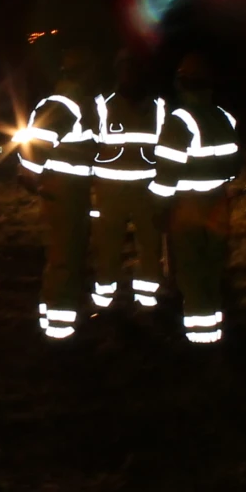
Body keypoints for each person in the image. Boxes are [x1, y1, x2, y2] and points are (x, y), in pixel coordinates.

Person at [151, 52, 242, 344]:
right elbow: (234, 166)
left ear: (181, 84)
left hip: (187, 206)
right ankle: (215, 328)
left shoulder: (180, 121)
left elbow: (166, 174)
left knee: (189, 269)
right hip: (219, 202)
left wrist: (159, 208)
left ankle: (200, 337)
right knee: (212, 266)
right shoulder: (225, 117)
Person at [18, 47, 97, 342]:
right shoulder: (65, 105)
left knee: (64, 255)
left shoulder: (70, 103)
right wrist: (31, 177)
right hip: (64, 192)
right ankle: (59, 329)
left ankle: (53, 316)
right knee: (66, 256)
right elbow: (35, 150)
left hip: (67, 191)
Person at [90, 54, 167, 315]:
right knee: (108, 246)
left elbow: (169, 148)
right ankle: (105, 299)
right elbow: (91, 144)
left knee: (149, 244)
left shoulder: (158, 107)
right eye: (125, 70)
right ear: (118, 73)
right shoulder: (102, 105)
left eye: (134, 69)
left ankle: (147, 300)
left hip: (147, 191)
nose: (130, 75)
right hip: (110, 192)